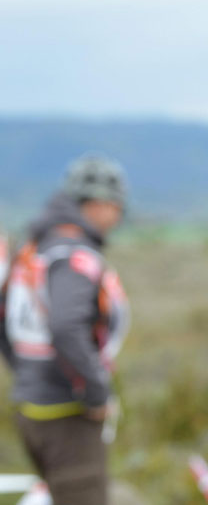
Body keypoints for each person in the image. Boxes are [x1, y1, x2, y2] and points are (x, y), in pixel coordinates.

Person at [0, 153, 130, 505]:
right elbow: (65, 327)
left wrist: (25, 374)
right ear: (98, 203)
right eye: (117, 207)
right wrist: (97, 392)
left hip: (32, 408)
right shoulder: (74, 256)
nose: (119, 217)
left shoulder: (34, 248)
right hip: (68, 413)